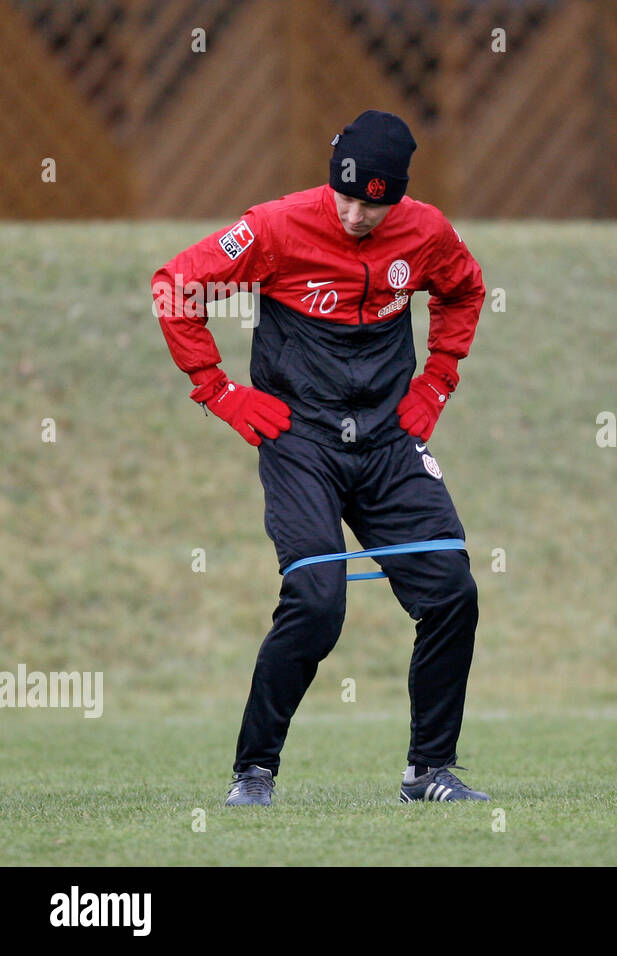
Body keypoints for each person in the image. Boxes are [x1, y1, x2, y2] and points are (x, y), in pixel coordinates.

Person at [153, 110, 490, 805]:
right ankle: (255, 772)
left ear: (398, 194)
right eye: (346, 195)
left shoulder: (426, 232)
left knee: (452, 590)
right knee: (316, 600)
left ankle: (428, 771)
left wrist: (437, 381)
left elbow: (463, 290)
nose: (357, 212)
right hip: (301, 439)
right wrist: (219, 392)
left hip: (390, 441)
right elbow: (175, 287)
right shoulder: (276, 227)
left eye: (374, 200)